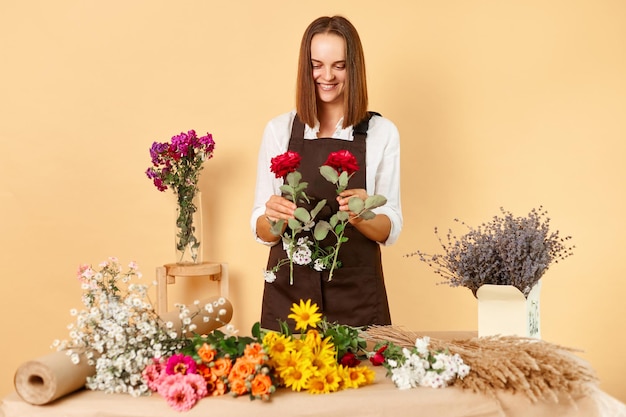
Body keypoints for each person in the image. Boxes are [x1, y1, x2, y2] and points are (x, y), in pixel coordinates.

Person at [250, 15, 402, 331]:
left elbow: (390, 227)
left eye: (339, 65)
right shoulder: (279, 130)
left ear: (354, 68)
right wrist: (274, 220)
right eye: (316, 65)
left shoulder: (381, 133)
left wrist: (363, 214)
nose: (327, 76)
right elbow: (262, 228)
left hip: (356, 297)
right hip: (289, 299)